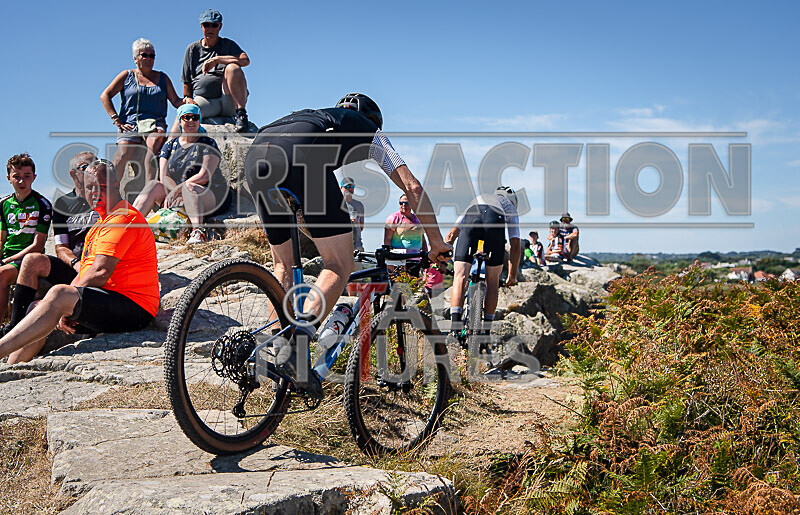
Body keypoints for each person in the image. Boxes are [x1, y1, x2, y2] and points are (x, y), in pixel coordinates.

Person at [244, 92, 451, 398]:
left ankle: (280, 347)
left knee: (283, 265)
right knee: (339, 266)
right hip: (303, 156)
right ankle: (300, 340)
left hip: (257, 154)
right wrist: (435, 242)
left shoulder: (318, 117)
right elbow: (412, 186)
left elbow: (309, 219)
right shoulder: (371, 133)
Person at [0, 160, 159, 364]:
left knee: (59, 294)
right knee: (36, 308)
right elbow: (85, 267)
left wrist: (66, 302)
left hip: (135, 308)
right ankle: (12, 367)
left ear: (116, 185)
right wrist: (64, 307)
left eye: (102, 186)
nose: (95, 192)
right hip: (108, 301)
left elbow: (100, 272)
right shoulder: (101, 222)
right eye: (90, 187)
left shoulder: (123, 218)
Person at [0, 152, 99, 337]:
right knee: (33, 261)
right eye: (85, 168)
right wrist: (75, 263)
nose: (92, 171)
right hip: (74, 266)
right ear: (72, 174)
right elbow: (61, 247)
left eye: (96, 166)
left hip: (100, 265)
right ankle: (13, 328)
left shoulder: (104, 199)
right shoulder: (62, 204)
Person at [133, 103, 231, 244]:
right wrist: (175, 193)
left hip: (207, 194)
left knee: (189, 187)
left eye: (195, 117)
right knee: (153, 185)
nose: (191, 121)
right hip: (178, 194)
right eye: (186, 117)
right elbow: (164, 176)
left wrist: (178, 191)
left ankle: (198, 232)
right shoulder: (169, 146)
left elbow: (204, 176)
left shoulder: (208, 143)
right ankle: (130, 226)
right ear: (180, 120)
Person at [101, 38, 184, 183]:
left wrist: (188, 101)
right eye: (144, 55)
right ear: (135, 58)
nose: (148, 59)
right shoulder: (127, 76)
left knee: (154, 144)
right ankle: (111, 192)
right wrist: (116, 120)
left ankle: (149, 188)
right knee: (122, 154)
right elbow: (105, 96)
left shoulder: (163, 78)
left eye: (152, 56)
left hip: (155, 122)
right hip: (130, 122)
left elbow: (176, 101)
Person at [445, 186, 521, 340]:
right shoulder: (510, 207)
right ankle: (486, 331)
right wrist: (512, 276)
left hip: (473, 214)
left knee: (459, 276)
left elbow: (452, 233)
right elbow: (515, 245)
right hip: (495, 219)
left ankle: (454, 329)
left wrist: (443, 257)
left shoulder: (478, 198)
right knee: (492, 281)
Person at [0, 153, 52, 325]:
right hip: (7, 258)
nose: (21, 181)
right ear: (8, 178)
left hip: (26, 260)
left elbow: (38, 245)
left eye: (26, 176)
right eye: (16, 177)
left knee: (1, 275)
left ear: (34, 178)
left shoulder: (42, 204)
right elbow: (1, 239)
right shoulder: (3, 204)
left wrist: (10, 259)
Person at [182, 9, 250, 132]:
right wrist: (188, 98)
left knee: (233, 68)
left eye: (214, 25)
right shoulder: (192, 50)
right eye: (206, 25)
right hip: (205, 100)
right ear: (201, 26)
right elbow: (187, 82)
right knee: (186, 112)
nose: (210, 28)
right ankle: (171, 147)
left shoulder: (227, 44)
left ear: (220, 27)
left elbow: (245, 60)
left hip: (228, 100)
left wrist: (218, 60)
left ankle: (241, 114)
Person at [341, 177, 365, 252]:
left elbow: (361, 227)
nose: (350, 189)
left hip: (357, 246)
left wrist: (355, 224)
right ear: (341, 188)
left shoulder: (359, 205)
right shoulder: (335, 204)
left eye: (352, 187)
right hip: (341, 245)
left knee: (358, 263)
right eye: (347, 187)